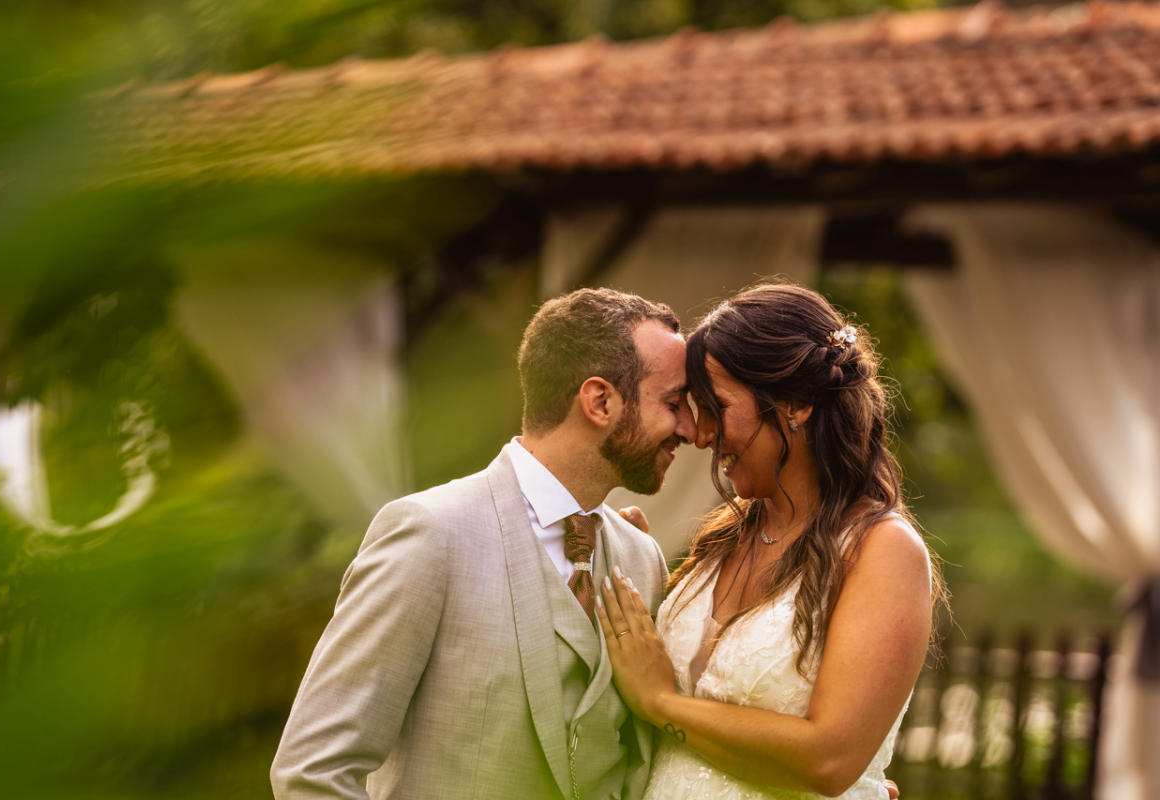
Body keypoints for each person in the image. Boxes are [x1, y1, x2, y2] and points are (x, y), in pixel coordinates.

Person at [270, 287, 697, 800]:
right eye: (673, 403)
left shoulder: (641, 556)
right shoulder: (429, 533)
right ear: (600, 401)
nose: (691, 429)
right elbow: (312, 771)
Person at [596, 281, 942, 799]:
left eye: (717, 407)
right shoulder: (725, 538)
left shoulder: (881, 550)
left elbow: (829, 759)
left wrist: (662, 703)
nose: (701, 434)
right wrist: (637, 573)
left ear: (796, 405)